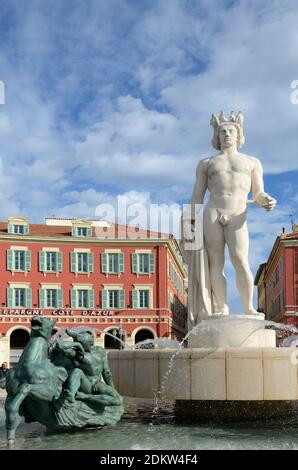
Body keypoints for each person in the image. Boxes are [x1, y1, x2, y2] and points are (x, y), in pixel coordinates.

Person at [181, 111, 276, 328]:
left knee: (240, 260)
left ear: (238, 134)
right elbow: (197, 195)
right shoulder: (206, 163)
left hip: (237, 213)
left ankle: (248, 307)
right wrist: (188, 219)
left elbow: (258, 193)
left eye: (231, 130)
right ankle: (221, 307)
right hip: (213, 212)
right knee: (216, 263)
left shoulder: (252, 162)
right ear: (216, 135)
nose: (226, 134)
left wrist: (266, 200)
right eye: (222, 131)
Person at [56, 329, 122, 406]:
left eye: (80, 342)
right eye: (77, 342)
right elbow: (60, 345)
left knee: (118, 400)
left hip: (97, 384)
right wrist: (76, 344)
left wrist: (112, 389)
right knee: (77, 372)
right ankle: (71, 396)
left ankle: (84, 397)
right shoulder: (75, 353)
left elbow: (106, 372)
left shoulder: (100, 351)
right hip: (86, 385)